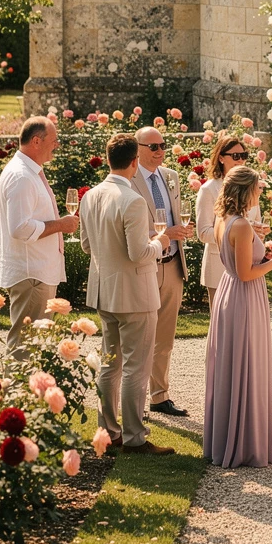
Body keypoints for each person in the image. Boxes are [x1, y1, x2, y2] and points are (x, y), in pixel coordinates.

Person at [79, 133, 175, 455]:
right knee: (136, 365)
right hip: (135, 292)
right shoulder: (132, 200)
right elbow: (138, 253)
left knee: (111, 362)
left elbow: (86, 246)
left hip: (105, 290)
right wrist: (160, 242)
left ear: (109, 159)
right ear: (135, 161)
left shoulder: (89, 196)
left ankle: (109, 430)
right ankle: (135, 438)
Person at [205, 166, 272, 468]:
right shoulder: (239, 224)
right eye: (257, 189)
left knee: (232, 364)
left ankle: (230, 437)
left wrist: (260, 251)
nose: (260, 194)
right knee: (245, 362)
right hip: (243, 294)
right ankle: (243, 445)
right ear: (245, 191)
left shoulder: (224, 218)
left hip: (231, 291)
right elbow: (246, 273)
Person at [0, 116, 79, 356]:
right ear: (36, 141)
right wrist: (60, 225)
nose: (56, 145)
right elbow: (20, 228)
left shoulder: (28, 172)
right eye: (53, 140)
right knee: (24, 346)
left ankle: (30, 393)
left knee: (35, 345)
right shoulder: (22, 176)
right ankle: (16, 393)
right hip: (31, 275)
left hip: (37, 272)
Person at [129, 126, 195, 417]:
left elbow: (175, 216)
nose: (159, 151)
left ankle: (159, 396)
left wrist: (182, 231)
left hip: (172, 264)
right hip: (144, 266)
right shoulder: (128, 180)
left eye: (162, 146)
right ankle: (134, 402)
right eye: (152, 146)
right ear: (138, 149)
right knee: (139, 337)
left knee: (165, 338)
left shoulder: (172, 177)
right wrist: (164, 234)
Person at [195, 135, 266, 311]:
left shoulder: (251, 186)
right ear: (220, 158)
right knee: (222, 323)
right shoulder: (208, 189)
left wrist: (258, 233)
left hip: (248, 263)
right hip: (219, 264)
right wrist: (237, 235)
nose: (240, 160)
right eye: (235, 156)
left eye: (243, 156)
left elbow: (255, 223)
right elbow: (203, 232)